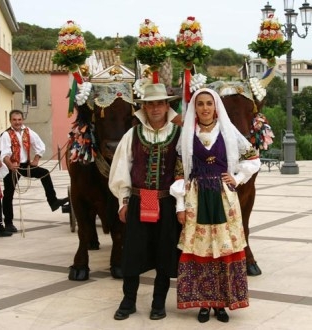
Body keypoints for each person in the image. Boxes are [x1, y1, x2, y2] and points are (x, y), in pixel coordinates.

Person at [170, 88, 261, 323]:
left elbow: (252, 158)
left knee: (224, 248)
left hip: (223, 199)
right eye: (200, 104)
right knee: (200, 249)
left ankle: (222, 303)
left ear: (216, 106)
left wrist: (238, 178)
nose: (205, 108)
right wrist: (180, 205)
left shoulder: (228, 132)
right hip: (196, 198)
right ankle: (203, 303)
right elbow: (180, 173)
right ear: (194, 108)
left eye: (209, 103)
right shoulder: (187, 135)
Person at [109, 83, 183, 321]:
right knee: (132, 253)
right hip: (139, 201)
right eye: (150, 103)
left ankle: (158, 303)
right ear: (144, 107)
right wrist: (123, 200)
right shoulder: (132, 134)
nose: (155, 108)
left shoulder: (179, 134)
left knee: (164, 253)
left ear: (167, 105)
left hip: (168, 203)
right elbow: (122, 168)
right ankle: (128, 301)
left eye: (160, 103)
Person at [0, 109, 68, 233]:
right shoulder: (6, 134)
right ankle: (8, 223)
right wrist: (10, 165)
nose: (17, 122)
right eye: (14, 120)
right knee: (8, 194)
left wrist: (36, 159)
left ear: (22, 120)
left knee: (44, 173)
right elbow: (4, 153)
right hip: (13, 167)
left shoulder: (28, 131)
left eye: (19, 120)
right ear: (10, 120)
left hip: (25, 165)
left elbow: (40, 145)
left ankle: (53, 201)